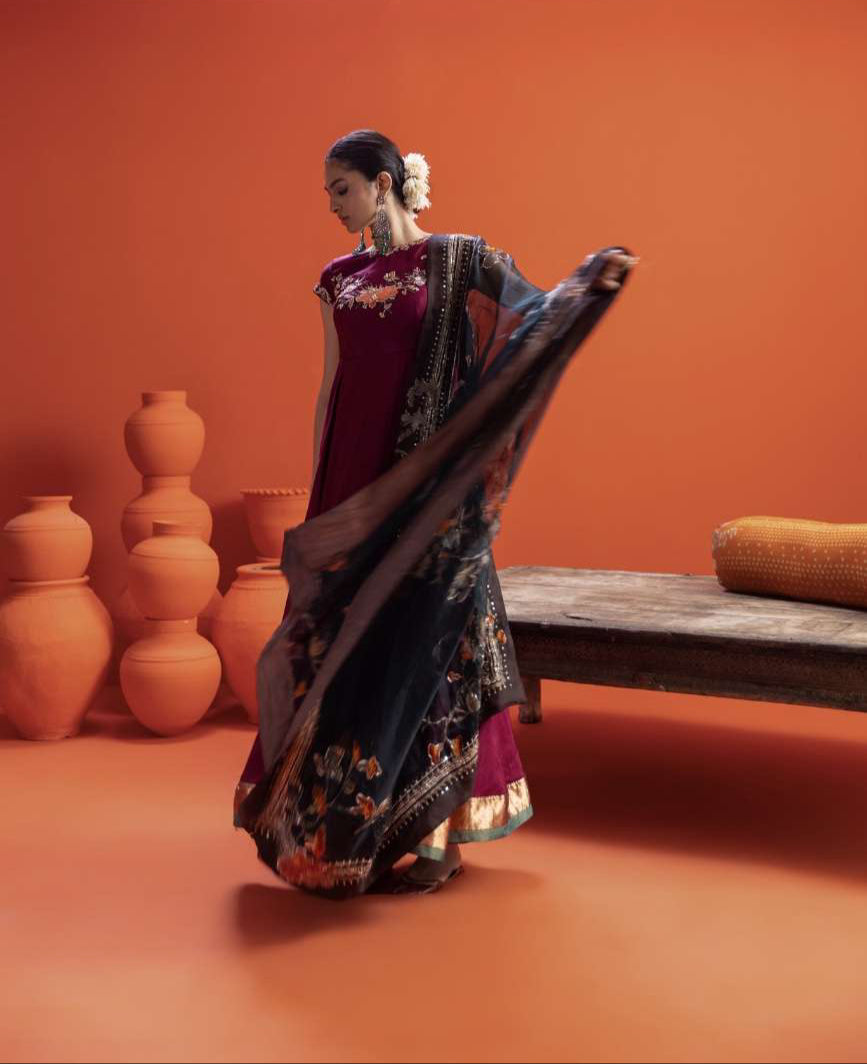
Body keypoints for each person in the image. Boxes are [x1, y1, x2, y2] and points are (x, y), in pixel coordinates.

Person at [234, 128, 636, 899]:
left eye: (342, 189)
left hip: (429, 490)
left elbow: (532, 319)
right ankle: (343, 826)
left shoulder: (457, 260)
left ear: (382, 183)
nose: (333, 206)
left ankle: (437, 838)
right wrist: (324, 496)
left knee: (436, 640)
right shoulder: (338, 277)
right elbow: (332, 385)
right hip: (355, 488)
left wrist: (589, 287)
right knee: (348, 648)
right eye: (327, 194)